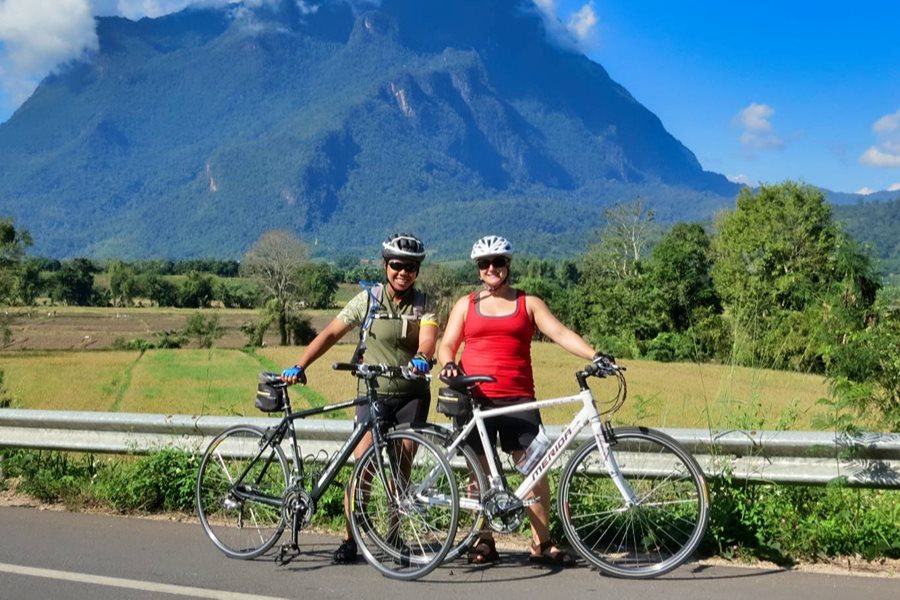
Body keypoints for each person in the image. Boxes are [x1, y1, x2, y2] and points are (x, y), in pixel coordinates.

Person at [438, 235, 608, 567]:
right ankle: (483, 540)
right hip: (476, 399)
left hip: (519, 398)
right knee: (480, 475)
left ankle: (541, 543)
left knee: (536, 470)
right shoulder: (466, 304)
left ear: (508, 265)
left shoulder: (528, 303)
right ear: (478, 270)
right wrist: (447, 363)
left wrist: (594, 354)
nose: (491, 268)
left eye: (498, 262)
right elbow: (448, 344)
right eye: (484, 264)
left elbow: (559, 333)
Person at [281, 233, 437, 564]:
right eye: (396, 265)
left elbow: (428, 339)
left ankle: (395, 538)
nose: (403, 273)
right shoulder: (367, 300)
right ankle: (350, 538)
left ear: (417, 271)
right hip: (373, 393)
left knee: (401, 473)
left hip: (412, 396)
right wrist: (300, 364)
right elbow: (329, 334)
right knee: (361, 468)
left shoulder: (425, 303)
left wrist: (423, 357)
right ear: (385, 265)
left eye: (410, 267)